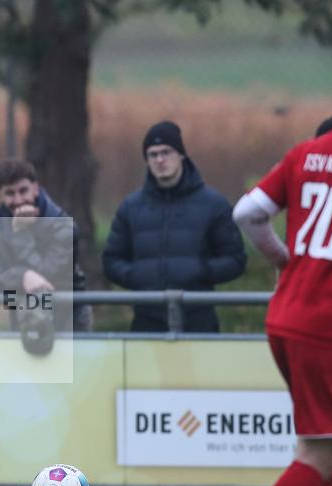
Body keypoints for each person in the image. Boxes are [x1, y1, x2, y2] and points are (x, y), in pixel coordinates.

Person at [221, 54, 332, 486]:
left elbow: (246, 213)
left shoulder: (306, 153)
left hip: (289, 313)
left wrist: (284, 258)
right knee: (320, 449)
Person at [102, 121, 247, 332]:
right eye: (153, 154)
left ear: (181, 155)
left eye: (166, 152)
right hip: (147, 320)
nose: (160, 160)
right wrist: (136, 275)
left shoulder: (213, 205)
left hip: (198, 319)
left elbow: (235, 260)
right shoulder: (130, 208)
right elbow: (111, 260)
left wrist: (200, 271)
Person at [0, 159, 91, 337]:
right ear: (0, 196)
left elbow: (47, 275)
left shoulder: (63, 226)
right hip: (22, 316)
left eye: (23, 190)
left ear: (35, 188)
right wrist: (22, 276)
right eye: (9, 193)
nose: (18, 200)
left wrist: (20, 233)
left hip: (69, 316)